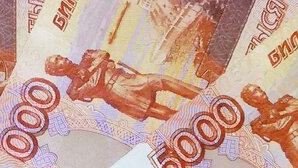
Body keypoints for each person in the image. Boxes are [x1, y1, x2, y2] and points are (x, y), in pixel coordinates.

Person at [45, 50, 200, 121]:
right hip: (118, 96)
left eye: (59, 56)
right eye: (57, 61)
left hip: (126, 79)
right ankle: (195, 122)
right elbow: (94, 85)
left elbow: (103, 54)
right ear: (58, 71)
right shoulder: (73, 90)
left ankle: (203, 95)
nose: (62, 58)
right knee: (159, 111)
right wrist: (101, 66)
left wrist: (91, 70)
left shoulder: (86, 58)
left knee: (162, 80)